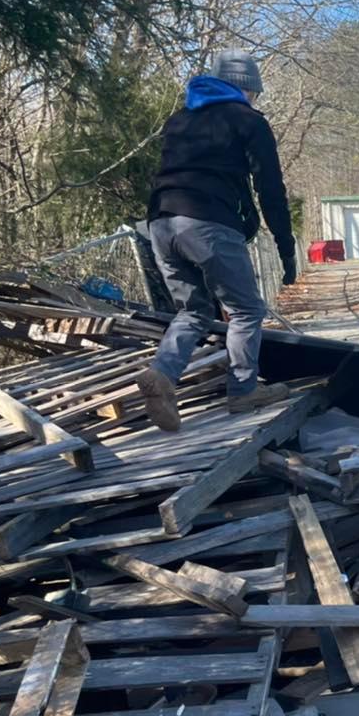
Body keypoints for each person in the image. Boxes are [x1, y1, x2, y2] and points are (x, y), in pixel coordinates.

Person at [135, 50, 298, 432]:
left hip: (160, 223)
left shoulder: (180, 120)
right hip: (207, 223)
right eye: (253, 92)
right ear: (245, 88)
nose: (254, 99)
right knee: (246, 310)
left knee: (193, 311)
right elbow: (270, 189)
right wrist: (286, 248)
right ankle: (242, 391)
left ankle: (161, 374)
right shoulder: (249, 120)